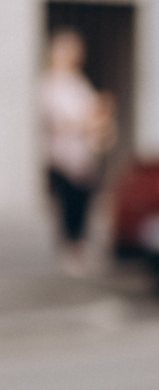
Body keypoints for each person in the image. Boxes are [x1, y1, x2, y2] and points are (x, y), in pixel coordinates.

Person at [40, 29, 115, 276]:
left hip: (84, 156)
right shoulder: (52, 84)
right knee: (69, 206)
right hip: (65, 157)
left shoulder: (78, 82)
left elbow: (93, 111)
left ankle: (77, 253)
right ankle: (70, 256)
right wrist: (88, 120)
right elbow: (61, 121)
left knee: (82, 206)